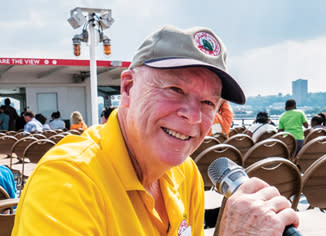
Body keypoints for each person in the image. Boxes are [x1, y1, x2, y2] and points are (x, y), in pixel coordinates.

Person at [12, 25, 298, 236]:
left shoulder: (186, 174)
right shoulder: (66, 182)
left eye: (209, 102)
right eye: (175, 88)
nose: (193, 115)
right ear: (128, 88)